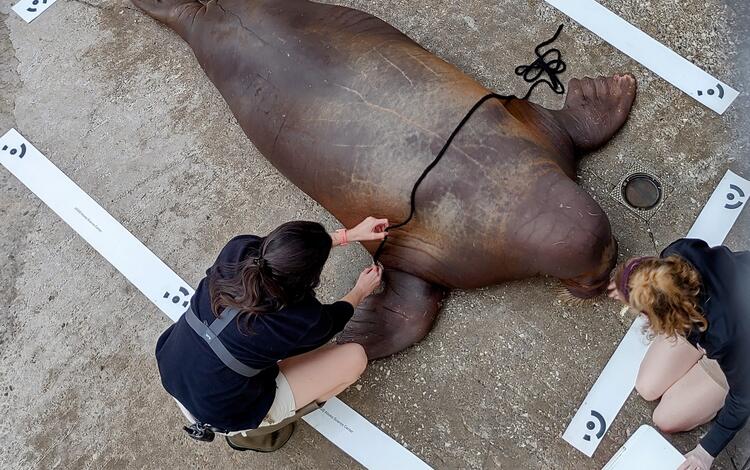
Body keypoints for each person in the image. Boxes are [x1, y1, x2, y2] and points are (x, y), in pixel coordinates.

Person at [155, 217, 389, 451]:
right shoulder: (301, 318)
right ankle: (252, 432)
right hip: (220, 412)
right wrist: (361, 290)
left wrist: (348, 235)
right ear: (310, 279)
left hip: (173, 366)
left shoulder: (238, 250)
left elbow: (280, 253)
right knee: (354, 358)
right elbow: (335, 319)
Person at [608, 238, 750, 470]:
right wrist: (627, 284)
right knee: (647, 386)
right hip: (698, 320)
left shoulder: (727, 337)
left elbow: (744, 397)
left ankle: (713, 390)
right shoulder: (679, 252)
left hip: (738, 352)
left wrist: (706, 452)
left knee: (665, 418)